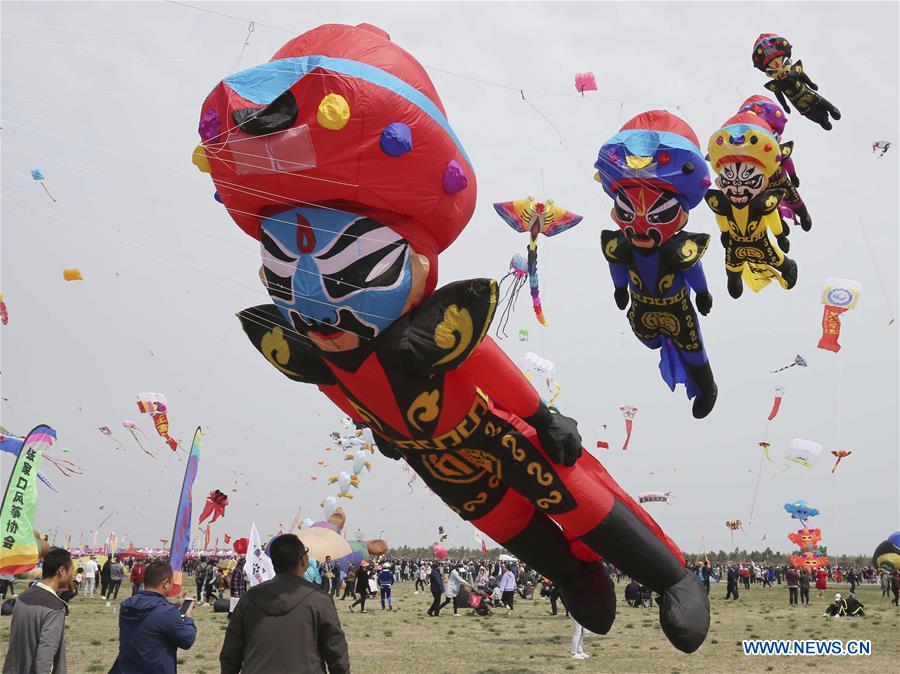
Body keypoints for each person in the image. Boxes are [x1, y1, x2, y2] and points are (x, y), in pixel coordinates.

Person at [219, 533, 350, 674]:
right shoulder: (319, 600)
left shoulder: (249, 598)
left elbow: (231, 653)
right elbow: (336, 652)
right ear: (303, 560)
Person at [109, 560, 197, 674]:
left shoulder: (127, 605)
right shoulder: (166, 612)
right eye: (171, 583)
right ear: (165, 583)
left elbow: (151, 614)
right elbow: (187, 640)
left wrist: (175, 606)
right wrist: (188, 617)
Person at [2, 548, 73, 674]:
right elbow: (45, 656)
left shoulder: (23, 596)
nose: (71, 577)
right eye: (71, 572)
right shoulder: (55, 607)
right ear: (61, 571)